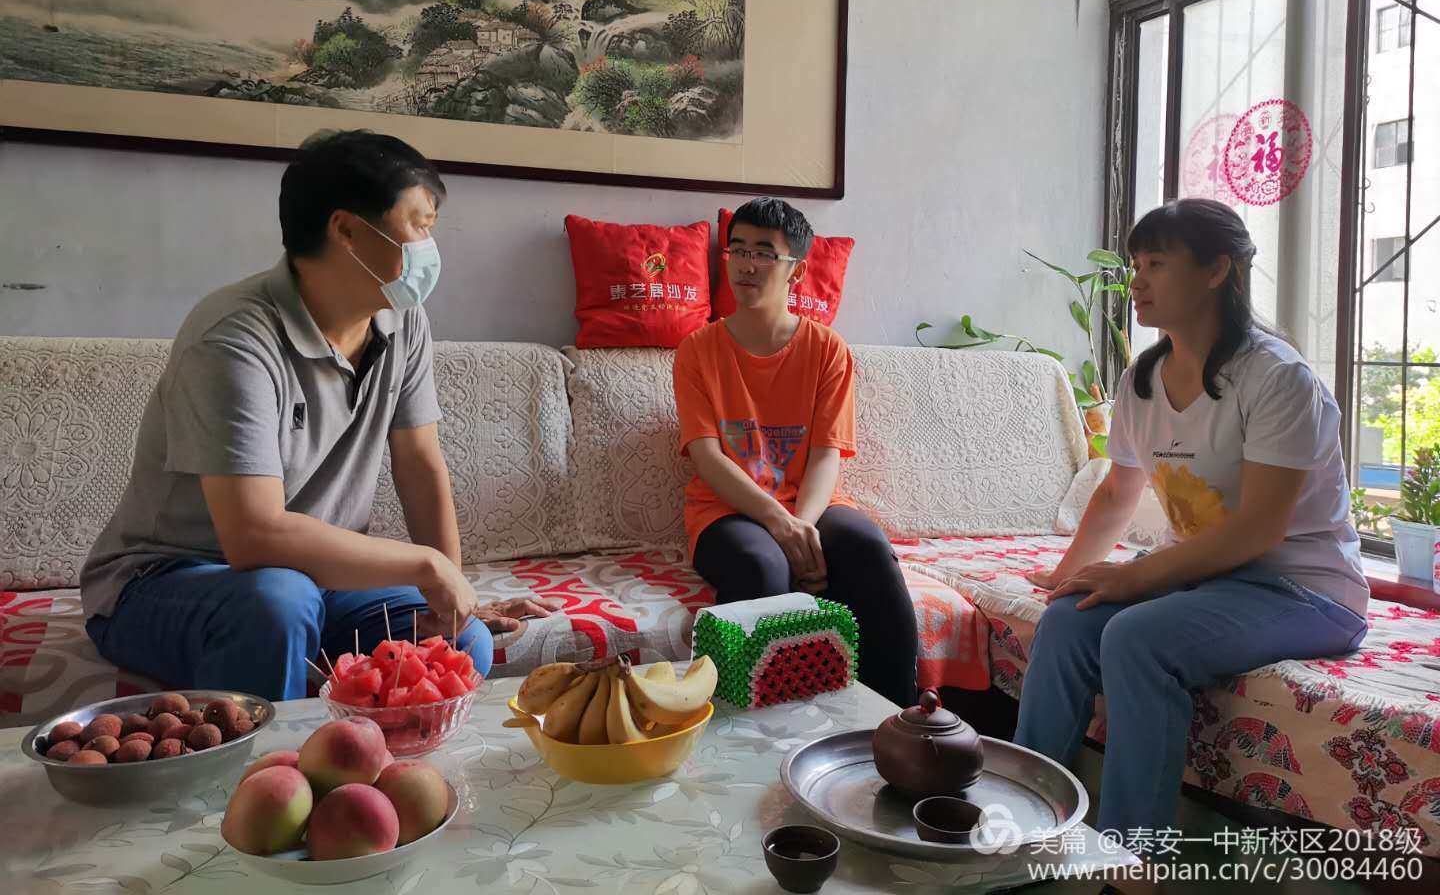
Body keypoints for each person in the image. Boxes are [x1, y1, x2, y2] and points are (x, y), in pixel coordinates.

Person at [80, 131, 561, 700]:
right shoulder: (234, 339)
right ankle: (272, 760)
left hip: (314, 579)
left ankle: (375, 760)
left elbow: (420, 464)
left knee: (458, 645)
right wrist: (426, 566)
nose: (430, 246)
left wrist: (454, 597)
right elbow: (254, 536)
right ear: (347, 230)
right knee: (278, 604)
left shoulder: (402, 321)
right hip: (168, 581)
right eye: (419, 225)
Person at [1014, 198, 1370, 842]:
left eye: (1156, 264)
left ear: (1216, 271)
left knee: (1137, 637)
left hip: (1305, 591)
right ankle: (1027, 821)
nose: (1137, 281)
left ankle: (1132, 859)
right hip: (1211, 581)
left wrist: (1135, 576)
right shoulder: (1143, 379)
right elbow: (1117, 491)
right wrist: (1070, 574)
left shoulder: (1277, 378)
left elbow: (1258, 530)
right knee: (1067, 620)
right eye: (1135, 265)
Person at [672, 197, 919, 707]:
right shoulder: (697, 350)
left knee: (868, 550)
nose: (746, 264)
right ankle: (761, 730)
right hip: (726, 511)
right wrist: (780, 527)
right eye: (738, 249)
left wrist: (801, 528)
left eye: (764, 252)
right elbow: (707, 457)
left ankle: (896, 720)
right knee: (761, 567)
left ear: (797, 271)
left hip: (814, 504)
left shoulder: (827, 349)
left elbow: (827, 454)